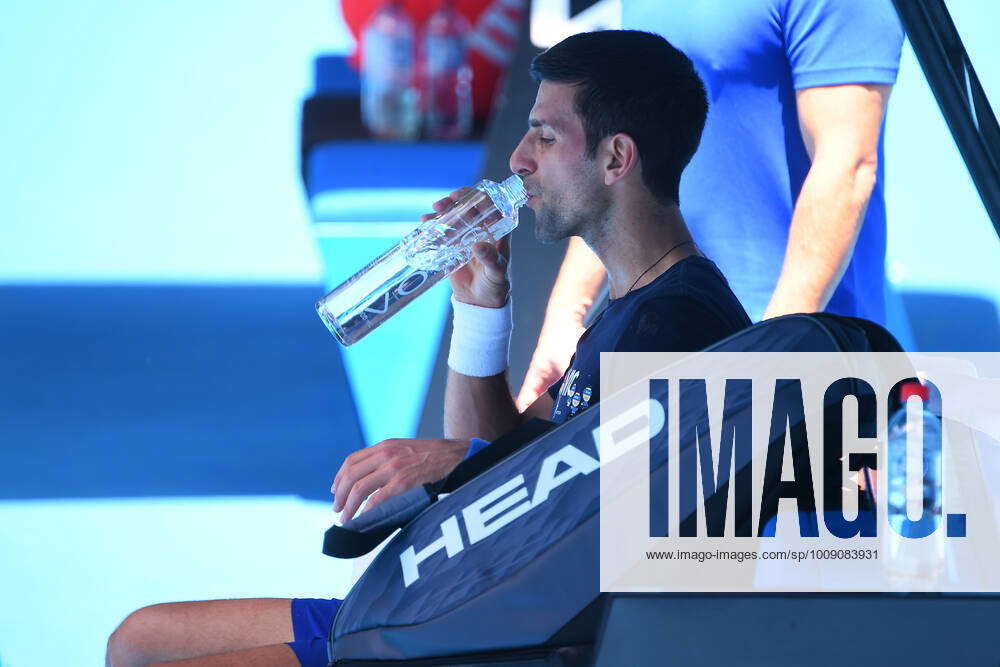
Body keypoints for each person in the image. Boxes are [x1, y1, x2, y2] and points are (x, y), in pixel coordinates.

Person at [105, 30, 749, 666]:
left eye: (546, 138)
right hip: (463, 603)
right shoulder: (632, 308)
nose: (519, 158)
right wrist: (479, 309)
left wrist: (453, 459)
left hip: (499, 635)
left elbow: (598, 525)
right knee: (135, 642)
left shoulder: (675, 326)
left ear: (616, 159)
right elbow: (512, 461)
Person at [516, 0, 905, 409]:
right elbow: (609, 170)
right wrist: (566, 317)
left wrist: (767, 355)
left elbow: (847, 164)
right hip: (669, 334)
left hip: (800, 360)